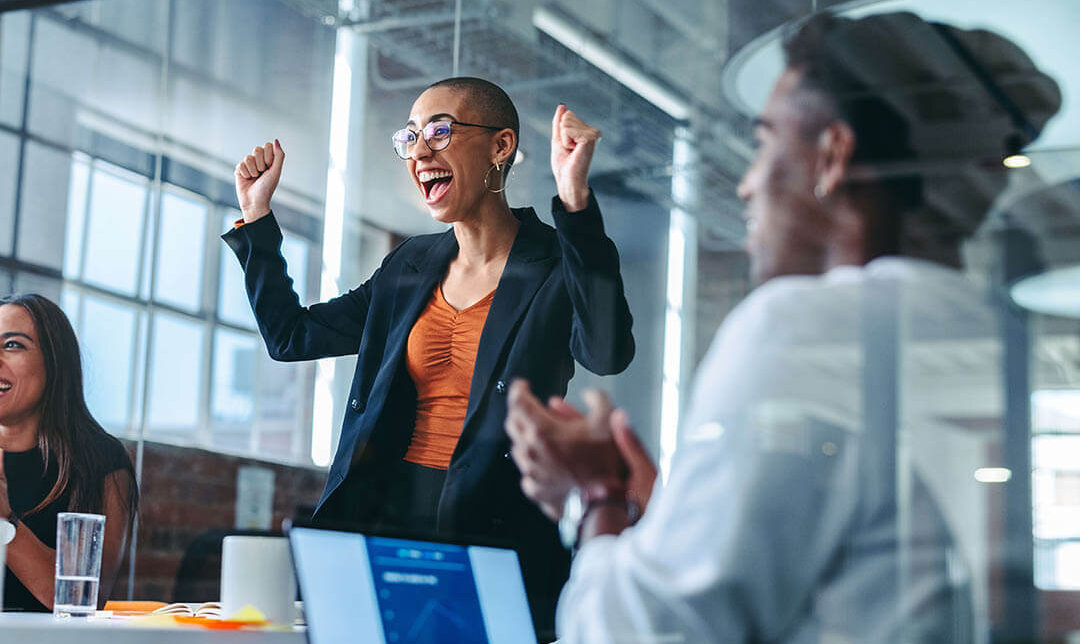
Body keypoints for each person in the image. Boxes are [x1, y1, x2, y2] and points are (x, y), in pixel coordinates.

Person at [505, 11, 1060, 643]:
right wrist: (669, 524)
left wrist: (592, 497)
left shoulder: (807, 326)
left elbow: (642, 634)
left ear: (833, 156)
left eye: (767, 142)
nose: (747, 184)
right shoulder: (988, 333)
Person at [223, 77, 634, 638]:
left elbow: (607, 353)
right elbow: (292, 336)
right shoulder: (409, 265)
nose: (419, 151)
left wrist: (576, 204)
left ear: (500, 146)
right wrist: (257, 218)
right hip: (383, 519)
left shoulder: (558, 262)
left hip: (493, 529)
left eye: (440, 131)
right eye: (412, 136)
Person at [0, 294, 138, 612]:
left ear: (54, 360)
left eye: (12, 345)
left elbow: (80, 602)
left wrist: (6, 522)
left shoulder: (99, 462)